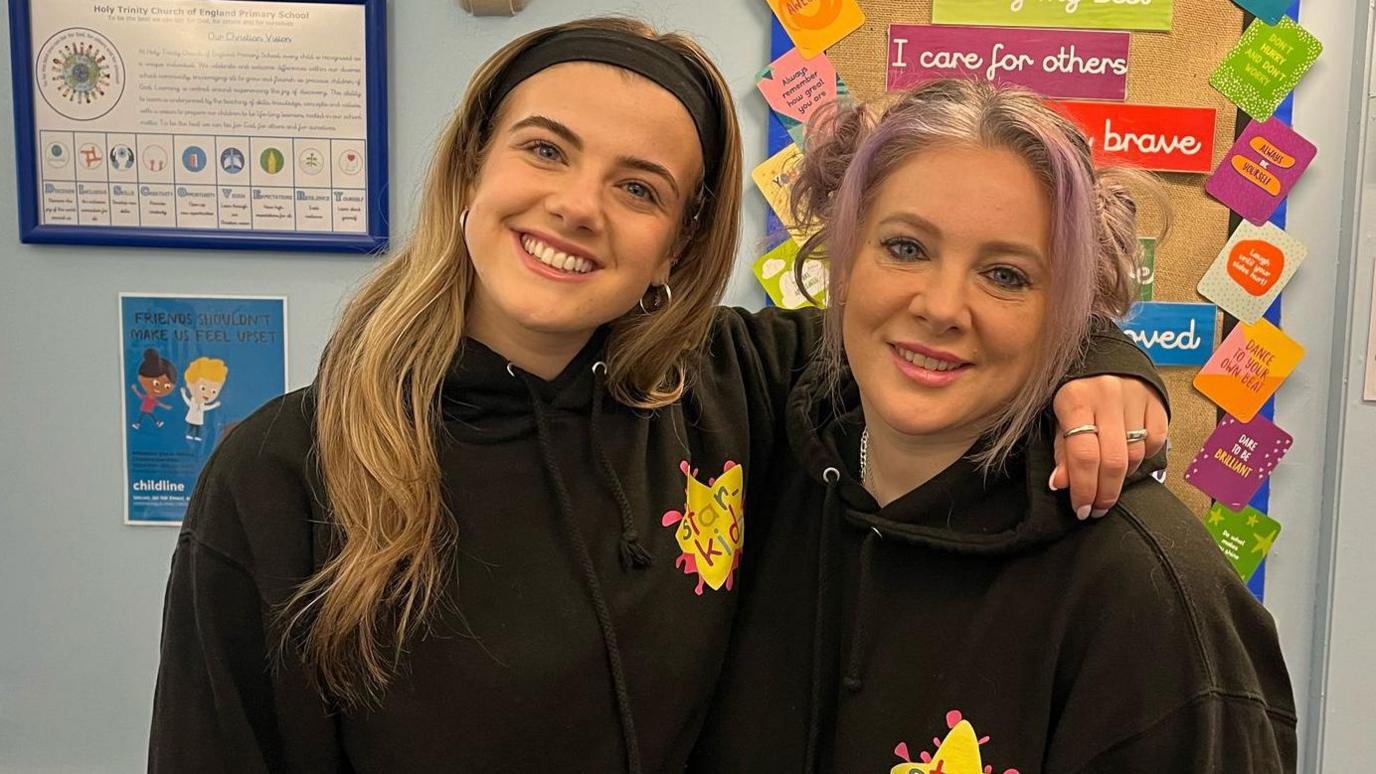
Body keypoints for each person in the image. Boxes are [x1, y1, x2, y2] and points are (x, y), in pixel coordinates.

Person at [148, 21, 1168, 773]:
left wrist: (1104, 362)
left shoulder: (733, 387)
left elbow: (924, 314)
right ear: (471, 168)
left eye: (638, 188)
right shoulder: (287, 470)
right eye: (543, 149)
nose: (576, 206)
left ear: (678, 242)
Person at [691, 80, 1295, 773]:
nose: (943, 306)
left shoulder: (1148, 596)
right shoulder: (765, 455)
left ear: (1069, 312)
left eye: (1006, 275)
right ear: (846, 254)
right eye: (907, 248)